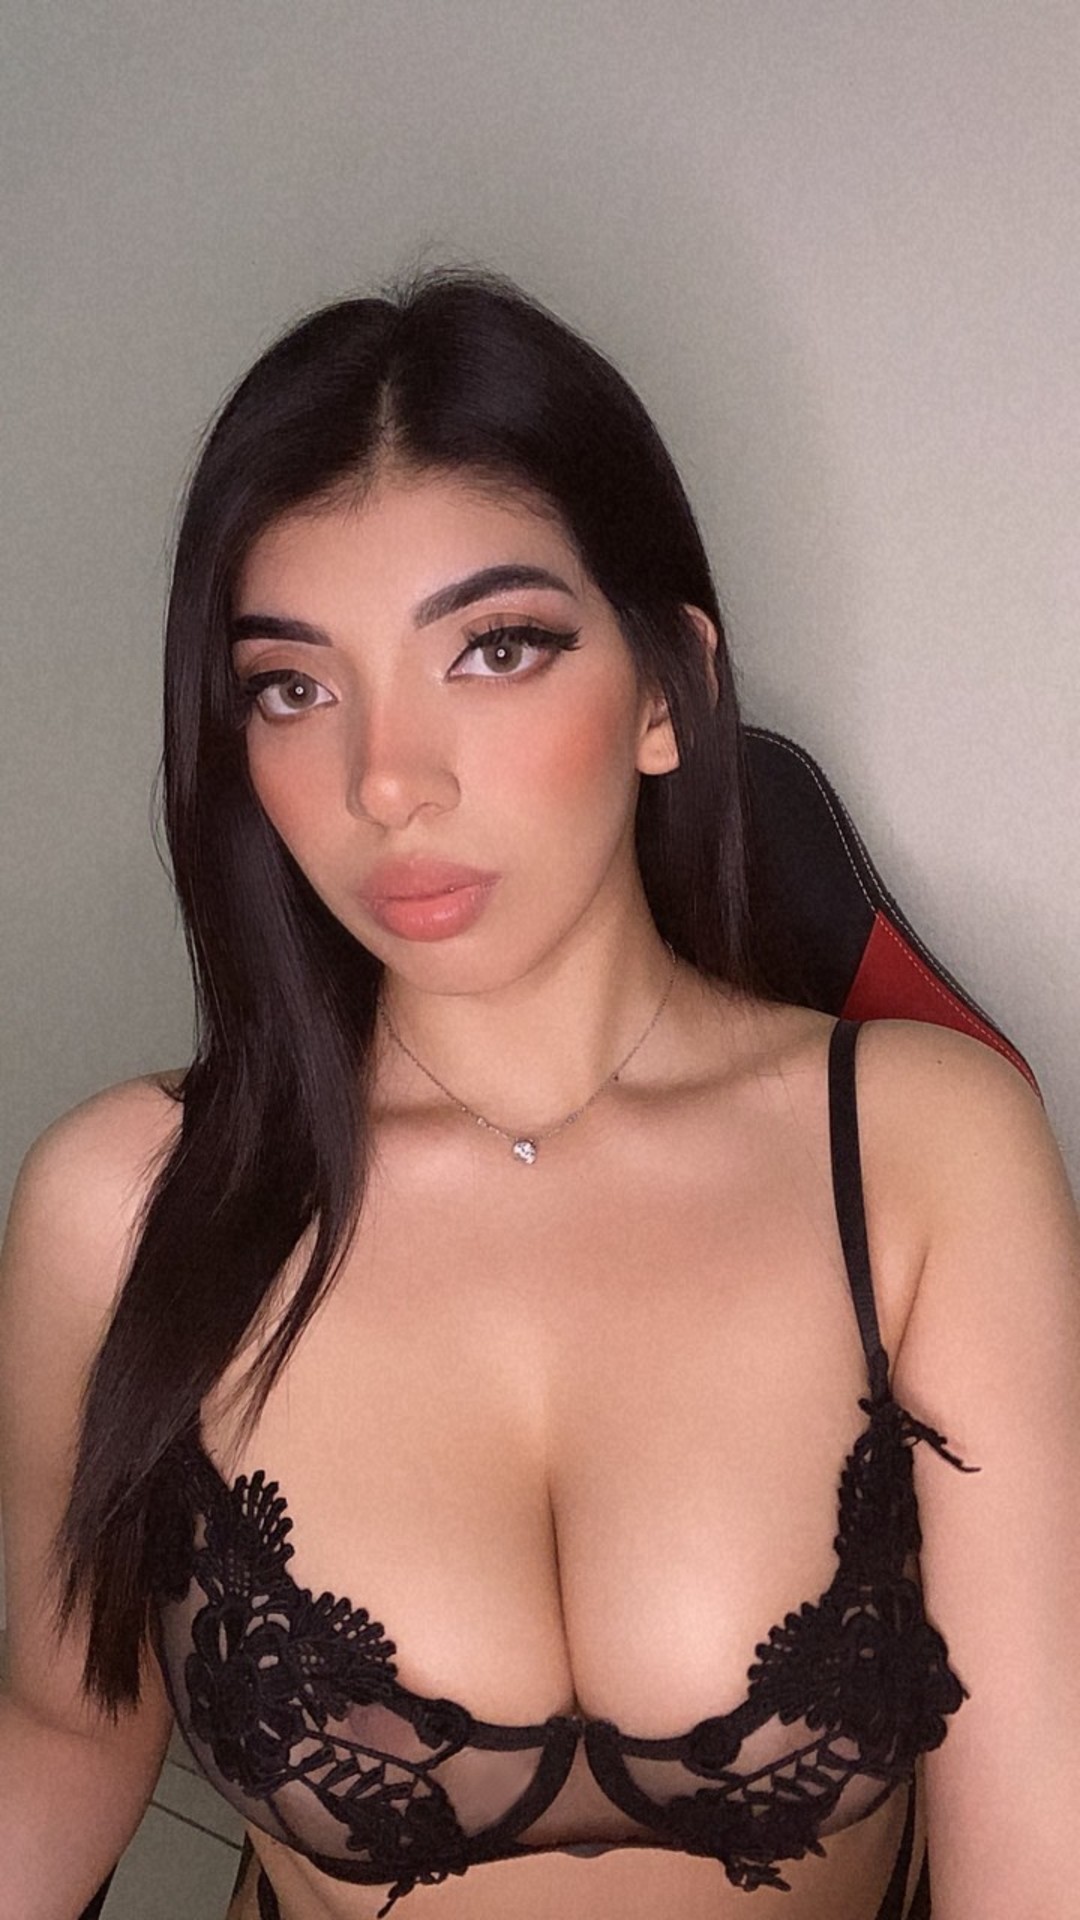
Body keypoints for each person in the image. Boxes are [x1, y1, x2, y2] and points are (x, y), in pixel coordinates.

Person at [1, 268, 1077, 1920]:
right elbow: (66, 1731)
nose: (387, 779)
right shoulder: (124, 1204)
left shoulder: (924, 1155)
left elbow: (1036, 1851)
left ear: (663, 691)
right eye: (294, 685)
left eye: (494, 650)